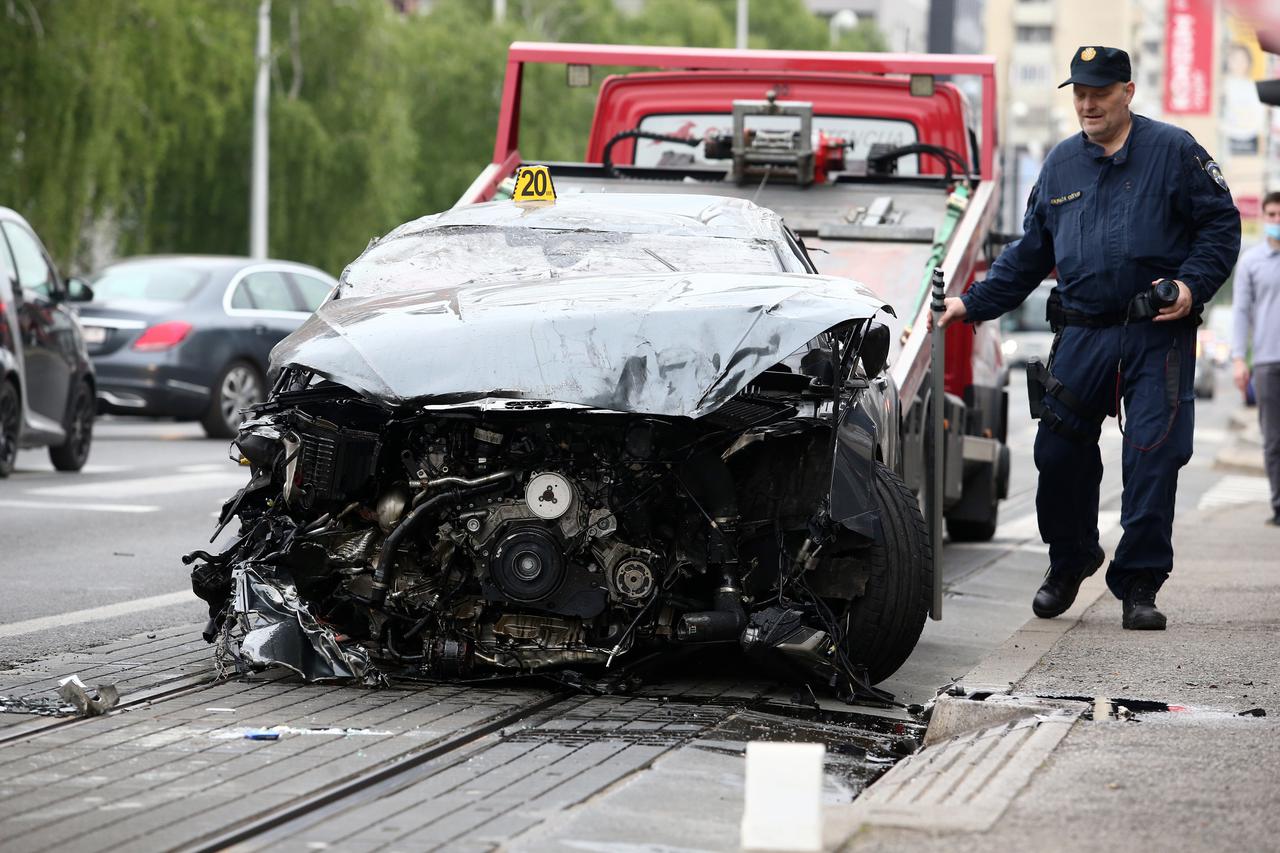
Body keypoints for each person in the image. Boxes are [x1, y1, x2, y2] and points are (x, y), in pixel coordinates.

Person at [935, 46, 1241, 629]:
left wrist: (1190, 286)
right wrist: (970, 303)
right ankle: (1071, 558)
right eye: (1079, 91)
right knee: (1056, 450)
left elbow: (1221, 225)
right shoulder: (1059, 166)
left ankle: (1139, 585)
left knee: (1153, 454)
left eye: (1099, 91)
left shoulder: (1174, 151)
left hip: (1156, 333)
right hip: (1081, 333)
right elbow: (1029, 255)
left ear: (1128, 91)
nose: (1087, 102)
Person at [1231, 191, 1280, 525]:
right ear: (1264, 217)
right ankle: (1279, 506)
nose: (1277, 221)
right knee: (1274, 439)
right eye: (1272, 215)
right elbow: (1241, 312)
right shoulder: (1251, 261)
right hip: (1266, 361)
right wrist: (1238, 358)